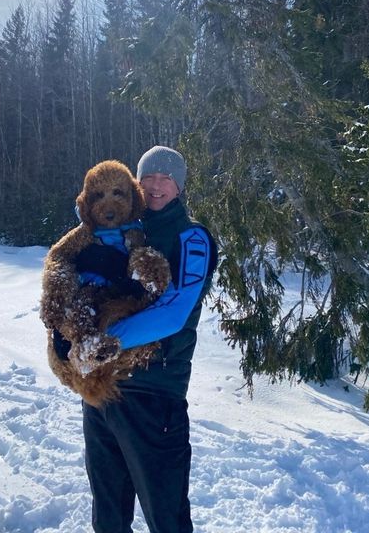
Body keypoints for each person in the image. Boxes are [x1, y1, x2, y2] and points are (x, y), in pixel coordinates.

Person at [81, 145, 217, 533]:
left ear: (179, 186)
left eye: (166, 178)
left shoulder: (192, 238)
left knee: (166, 516)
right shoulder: (122, 233)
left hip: (154, 394)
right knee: (108, 515)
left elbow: (174, 313)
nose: (156, 185)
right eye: (149, 177)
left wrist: (104, 340)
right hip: (102, 389)